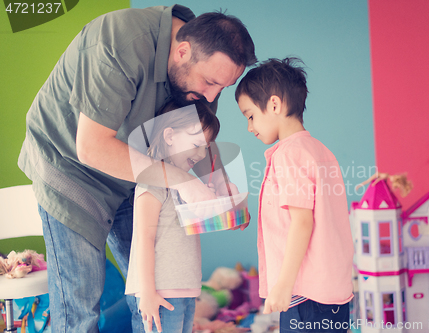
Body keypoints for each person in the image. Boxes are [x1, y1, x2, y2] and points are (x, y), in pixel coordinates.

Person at [17, 4, 256, 332]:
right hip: (71, 166)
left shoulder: (199, 67)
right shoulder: (118, 42)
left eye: (222, 88)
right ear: (182, 51)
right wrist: (183, 181)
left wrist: (220, 186)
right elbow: (93, 148)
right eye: (211, 82)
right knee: (81, 303)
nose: (212, 95)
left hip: (137, 171)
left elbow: (197, 132)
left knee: (157, 290)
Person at [235, 58, 354, 332]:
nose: (250, 127)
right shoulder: (320, 151)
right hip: (331, 292)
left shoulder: (289, 154)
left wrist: (283, 285)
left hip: (305, 294)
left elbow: (302, 222)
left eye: (250, 115)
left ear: (274, 105)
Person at [125, 101, 220, 333]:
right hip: (161, 291)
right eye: (197, 144)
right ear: (169, 136)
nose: (201, 154)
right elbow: (143, 238)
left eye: (205, 147)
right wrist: (147, 292)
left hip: (186, 290)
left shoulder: (185, 185)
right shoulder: (153, 179)